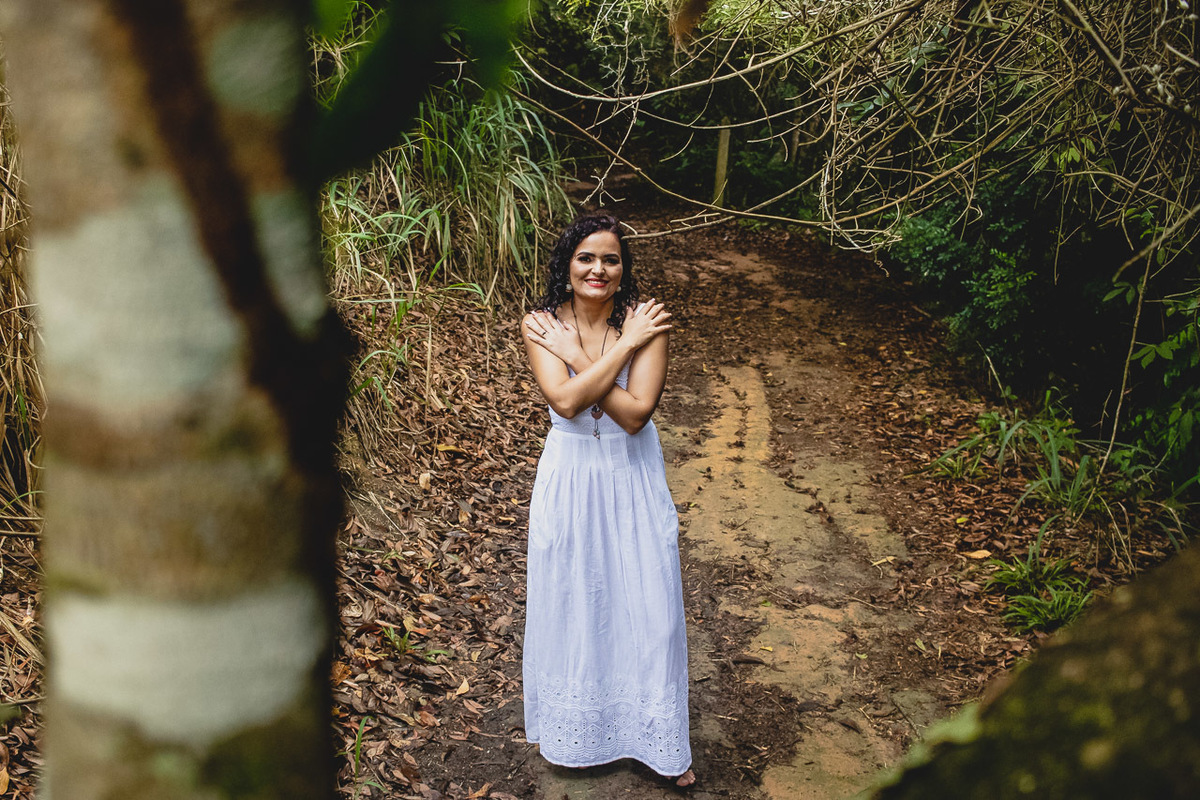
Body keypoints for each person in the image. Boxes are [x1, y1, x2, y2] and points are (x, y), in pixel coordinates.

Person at [520, 212, 696, 788]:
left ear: (624, 269)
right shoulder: (542, 325)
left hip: (632, 473)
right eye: (586, 258)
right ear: (567, 265)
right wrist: (608, 352)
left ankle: (658, 742)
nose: (599, 268)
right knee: (576, 599)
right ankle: (580, 731)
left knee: (650, 605)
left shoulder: (648, 323)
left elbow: (636, 414)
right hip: (570, 476)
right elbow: (566, 404)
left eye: (611, 259)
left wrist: (594, 355)